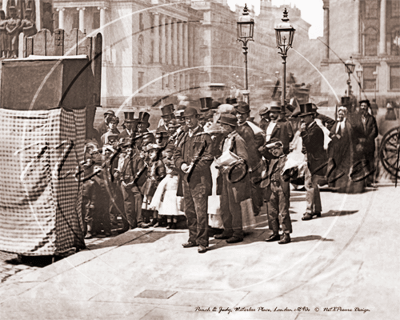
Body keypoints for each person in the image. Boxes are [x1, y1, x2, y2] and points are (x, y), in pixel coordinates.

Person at [174, 107, 214, 254]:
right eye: (185, 118)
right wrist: (182, 164)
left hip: (200, 181)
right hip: (186, 180)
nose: (188, 121)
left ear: (197, 118)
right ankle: (193, 238)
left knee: (201, 212)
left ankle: (203, 242)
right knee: (189, 211)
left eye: (191, 118)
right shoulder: (183, 136)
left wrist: (193, 168)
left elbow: (208, 157)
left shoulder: (205, 136)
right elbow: (176, 154)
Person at [214, 114, 251, 243]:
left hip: (234, 177)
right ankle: (227, 229)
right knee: (224, 204)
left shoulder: (238, 140)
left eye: (223, 125)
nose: (221, 128)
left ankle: (237, 232)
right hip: (224, 176)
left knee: (234, 205)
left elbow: (243, 159)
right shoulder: (226, 139)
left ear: (230, 127)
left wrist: (229, 167)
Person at [235, 101, 265, 216]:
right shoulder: (239, 126)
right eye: (238, 113)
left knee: (252, 186)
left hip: (248, 162)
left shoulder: (247, 129)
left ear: (247, 115)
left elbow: (251, 149)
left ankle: (255, 209)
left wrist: (250, 165)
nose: (239, 116)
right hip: (243, 161)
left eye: (242, 114)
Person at [261, 138, 294, 244]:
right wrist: (268, 146)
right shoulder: (271, 159)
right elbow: (261, 150)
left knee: (283, 212)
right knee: (271, 211)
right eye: (272, 150)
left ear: (281, 148)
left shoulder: (288, 159)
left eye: (276, 149)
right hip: (271, 186)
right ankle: (275, 232)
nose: (274, 151)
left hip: (282, 187)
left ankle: (286, 233)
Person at [298, 104, 327, 221]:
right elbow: (308, 145)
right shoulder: (312, 128)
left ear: (311, 116)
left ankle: (309, 211)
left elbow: (309, 144)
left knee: (309, 185)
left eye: (304, 117)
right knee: (313, 185)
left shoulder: (314, 129)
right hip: (314, 159)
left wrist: (303, 132)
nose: (302, 119)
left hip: (314, 160)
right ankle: (317, 209)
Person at [149, 148, 185, 229]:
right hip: (169, 180)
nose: (168, 158)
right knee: (168, 202)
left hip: (175, 180)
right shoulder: (165, 162)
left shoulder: (176, 162)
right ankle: (169, 222)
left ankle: (174, 222)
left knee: (175, 202)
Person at [141, 143, 166, 227]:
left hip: (155, 184)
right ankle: (154, 219)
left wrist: (156, 179)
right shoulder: (151, 162)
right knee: (151, 202)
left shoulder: (159, 162)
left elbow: (162, 174)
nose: (150, 154)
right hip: (149, 184)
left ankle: (159, 219)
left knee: (156, 202)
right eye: (149, 152)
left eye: (152, 152)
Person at [356, 100, 378, 186]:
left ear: (367, 107)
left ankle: (369, 182)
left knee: (370, 163)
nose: (363, 107)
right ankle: (360, 182)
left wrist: (367, 139)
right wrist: (359, 140)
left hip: (369, 144)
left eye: (365, 106)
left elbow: (375, 131)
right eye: (361, 106)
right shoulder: (356, 119)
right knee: (359, 163)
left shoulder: (372, 118)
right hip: (359, 144)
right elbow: (354, 130)